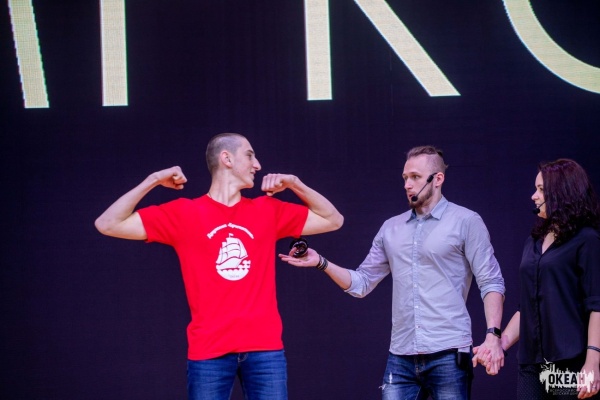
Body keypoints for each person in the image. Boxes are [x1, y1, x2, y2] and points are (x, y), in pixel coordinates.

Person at [94, 132, 343, 400]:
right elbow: (107, 224)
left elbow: (333, 220)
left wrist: (295, 184)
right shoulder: (183, 213)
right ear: (227, 158)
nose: (257, 165)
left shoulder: (267, 210)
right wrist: (153, 180)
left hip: (265, 348)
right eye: (249, 155)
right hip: (208, 350)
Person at [279, 145, 505, 400]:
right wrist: (321, 262)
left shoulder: (466, 221)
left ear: (438, 179)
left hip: (449, 352)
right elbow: (362, 283)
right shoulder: (391, 228)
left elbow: (491, 281)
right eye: (405, 178)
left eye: (416, 177)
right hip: (401, 356)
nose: (407, 184)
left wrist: (493, 335)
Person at [479, 159, 600, 399]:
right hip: (532, 363)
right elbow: (526, 308)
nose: (534, 196)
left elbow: (596, 305)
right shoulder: (533, 241)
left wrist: (592, 361)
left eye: (541, 190)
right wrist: (500, 344)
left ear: (563, 192)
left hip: (570, 361)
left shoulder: (587, 240)